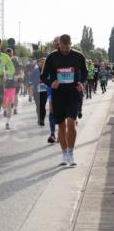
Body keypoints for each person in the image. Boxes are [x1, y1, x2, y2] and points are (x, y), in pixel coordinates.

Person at [42, 33, 88, 166]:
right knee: (61, 126)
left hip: (73, 94)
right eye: (63, 47)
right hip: (58, 95)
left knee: (71, 123)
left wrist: (82, 83)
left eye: (67, 47)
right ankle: (64, 154)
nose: (65, 50)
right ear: (59, 45)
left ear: (70, 44)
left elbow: (85, 72)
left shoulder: (78, 56)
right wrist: (51, 84)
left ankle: (71, 153)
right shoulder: (51, 57)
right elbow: (43, 76)